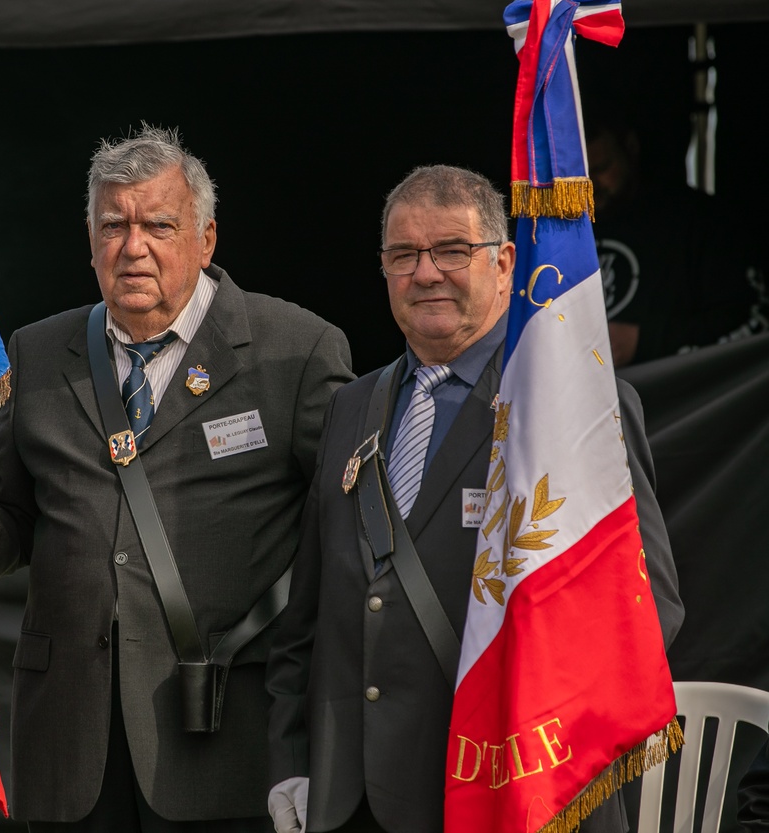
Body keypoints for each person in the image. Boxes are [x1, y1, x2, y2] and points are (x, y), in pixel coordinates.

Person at [264, 164, 684, 832]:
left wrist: (536, 733)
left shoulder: (568, 404)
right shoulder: (351, 406)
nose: (426, 272)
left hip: (508, 794)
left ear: (505, 262)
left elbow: (648, 609)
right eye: (404, 255)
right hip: (354, 801)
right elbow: (308, 621)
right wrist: (291, 760)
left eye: (452, 250)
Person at [0, 124, 355, 832]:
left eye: (158, 225)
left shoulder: (294, 352)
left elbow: (350, 524)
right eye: (113, 224)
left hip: (224, 730)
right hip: (69, 742)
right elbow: (5, 515)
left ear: (206, 241)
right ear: (89, 242)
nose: (133, 246)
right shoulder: (38, 350)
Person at [585, 104, 761, 367]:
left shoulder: (697, 222)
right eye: (578, 177)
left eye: (601, 167)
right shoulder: (558, 229)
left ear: (630, 147)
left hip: (674, 400)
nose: (591, 185)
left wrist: (642, 342)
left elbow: (750, 321)